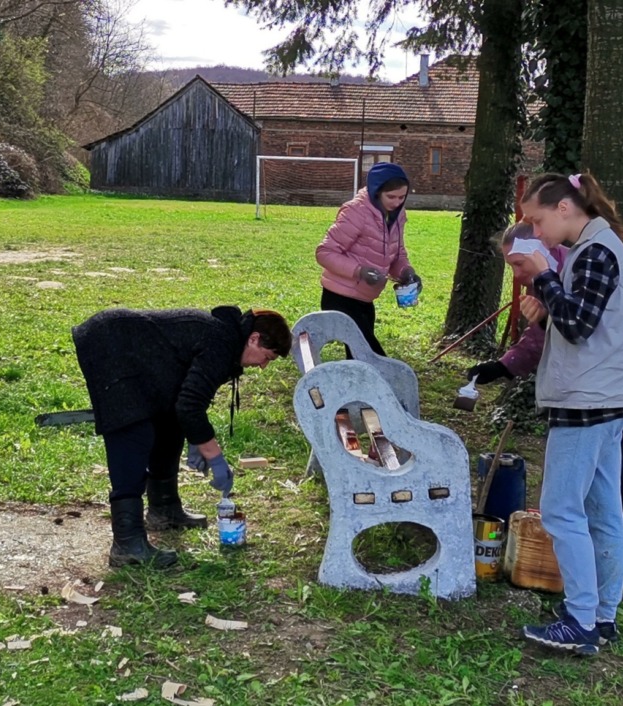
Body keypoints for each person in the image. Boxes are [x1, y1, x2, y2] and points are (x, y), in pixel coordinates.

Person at [467, 222, 623, 591]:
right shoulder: (555, 268)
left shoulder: (570, 268)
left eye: (519, 264)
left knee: (605, 474)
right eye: (512, 266)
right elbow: (546, 333)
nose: (518, 275)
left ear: (539, 248)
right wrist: (504, 366)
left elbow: (569, 329)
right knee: (607, 470)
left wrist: (509, 362)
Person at [514, 172, 623, 656]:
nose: (535, 231)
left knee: (560, 510)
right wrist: (547, 308)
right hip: (608, 394)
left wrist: (544, 276)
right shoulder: (593, 249)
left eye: (537, 220)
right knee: (601, 509)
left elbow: (577, 326)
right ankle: (601, 615)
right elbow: (580, 320)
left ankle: (579, 621)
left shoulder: (596, 251)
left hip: (591, 399)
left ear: (565, 209)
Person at [72, 306, 291, 568]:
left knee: (169, 423)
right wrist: (215, 457)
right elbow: (190, 405)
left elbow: (183, 401)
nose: (264, 366)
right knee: (133, 431)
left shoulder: (228, 343)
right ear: (253, 339)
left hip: (138, 355)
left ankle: (164, 510)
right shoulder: (221, 342)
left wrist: (195, 437)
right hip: (112, 343)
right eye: (267, 357)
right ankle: (127, 542)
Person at [316, 162, 422, 358]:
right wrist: (359, 271)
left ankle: (357, 387)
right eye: (391, 197)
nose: (397, 202)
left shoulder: (397, 215)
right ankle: (389, 384)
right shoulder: (355, 212)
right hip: (340, 297)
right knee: (370, 355)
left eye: (402, 197)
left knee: (359, 357)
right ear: (376, 192)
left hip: (366, 298)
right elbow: (325, 252)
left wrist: (407, 272)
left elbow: (397, 252)